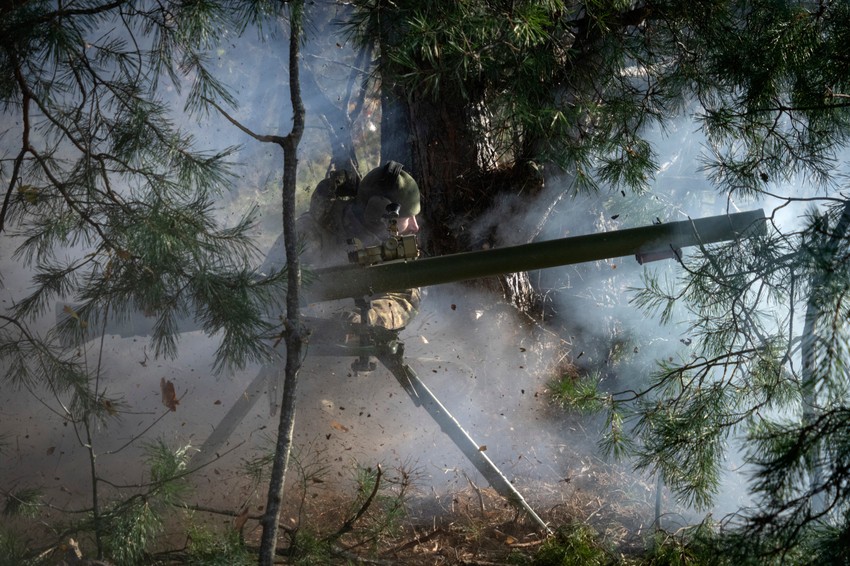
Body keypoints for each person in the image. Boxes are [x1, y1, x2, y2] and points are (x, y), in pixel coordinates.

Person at [261, 161, 422, 331]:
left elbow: (405, 299)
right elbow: (265, 291)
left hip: (358, 336)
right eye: (407, 217)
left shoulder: (394, 243)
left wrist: (367, 317)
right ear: (379, 214)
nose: (415, 226)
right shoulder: (308, 232)